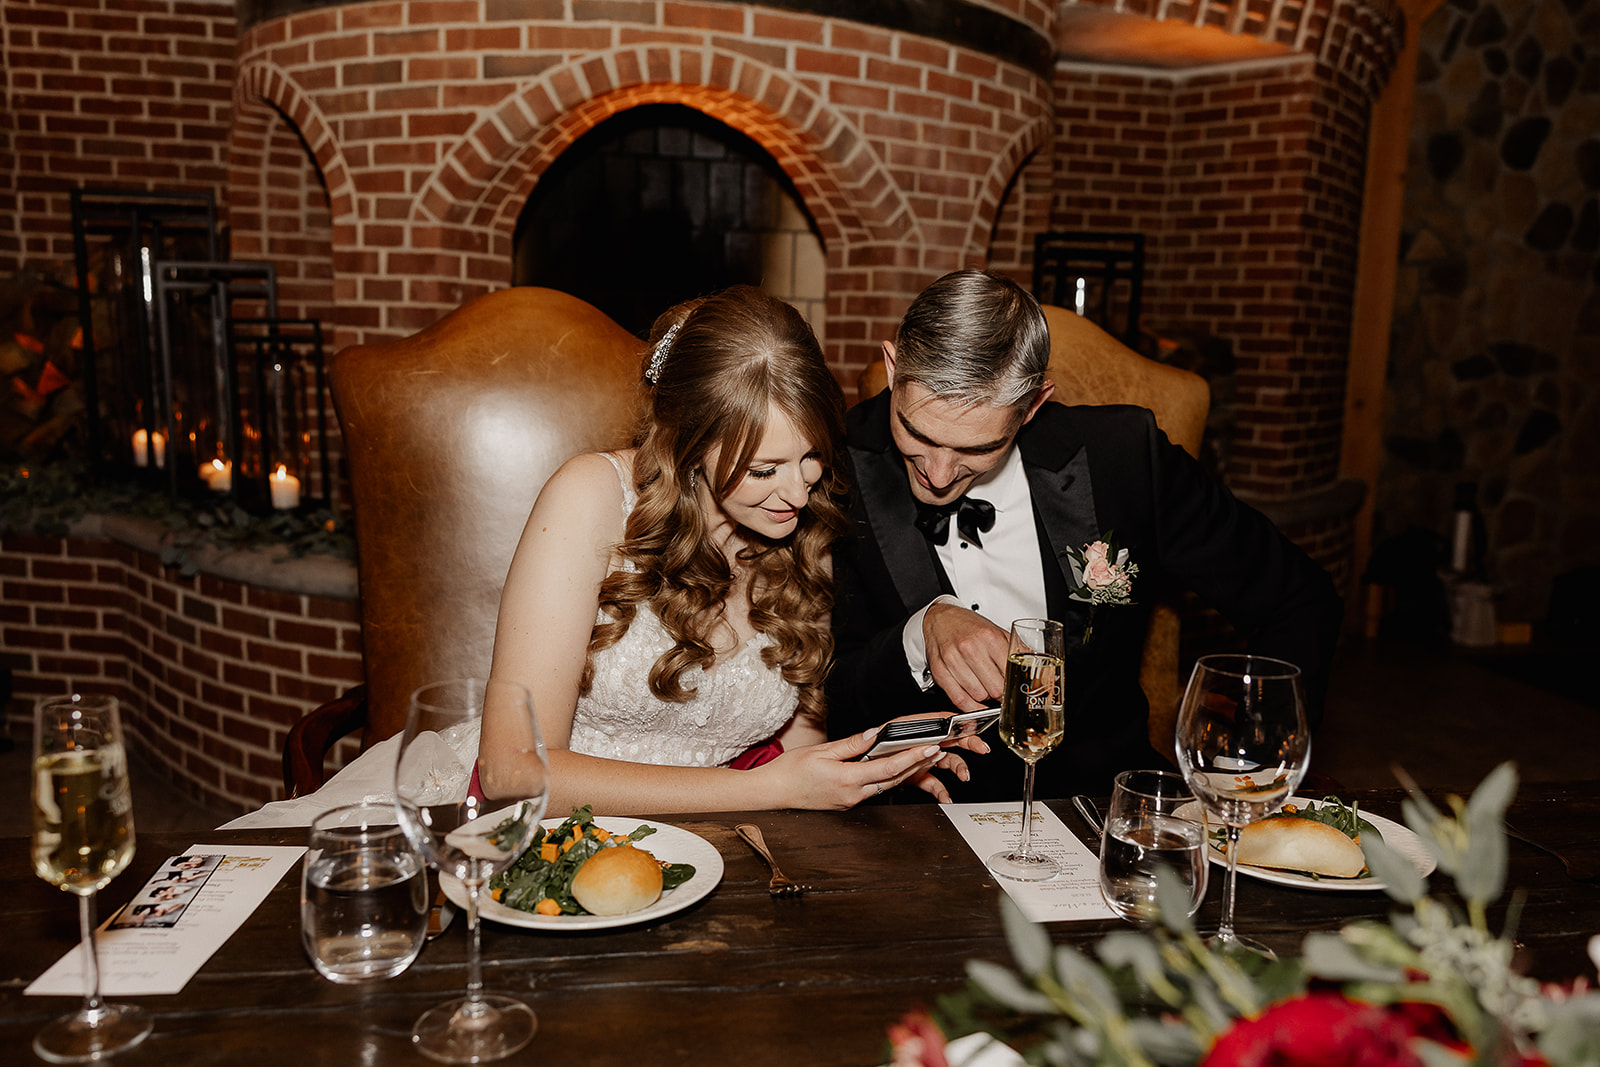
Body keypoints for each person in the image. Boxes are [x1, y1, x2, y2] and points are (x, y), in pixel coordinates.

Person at [827, 270, 1344, 800]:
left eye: (978, 449)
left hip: (1094, 802)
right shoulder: (831, 472)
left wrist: (1253, 776)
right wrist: (920, 632)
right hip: (916, 812)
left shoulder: (1122, 459)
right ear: (893, 369)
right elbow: (827, 697)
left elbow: (1298, 599)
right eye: (916, 432)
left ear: (1032, 407)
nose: (937, 475)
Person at [482, 285, 970, 815]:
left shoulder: (802, 533)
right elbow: (511, 773)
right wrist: (766, 790)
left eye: (812, 456)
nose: (798, 493)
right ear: (689, 444)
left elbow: (799, 755)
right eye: (763, 470)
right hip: (559, 833)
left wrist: (869, 761)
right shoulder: (590, 496)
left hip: (732, 839)